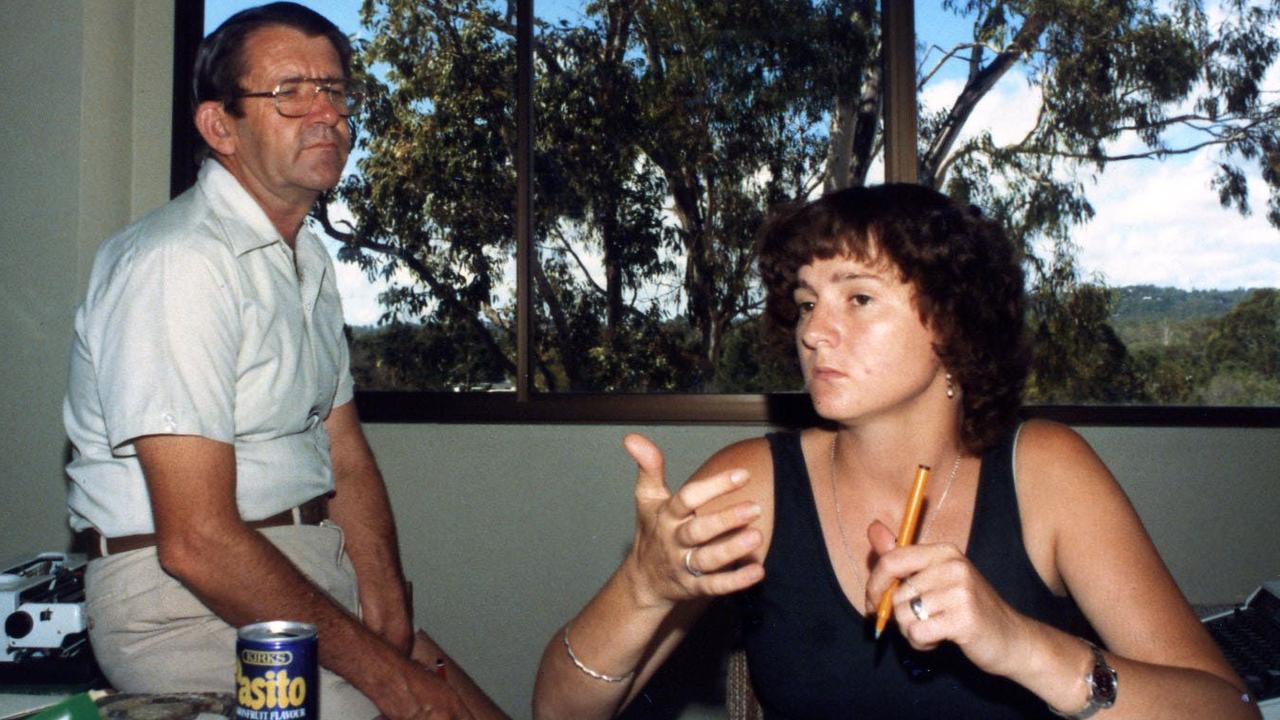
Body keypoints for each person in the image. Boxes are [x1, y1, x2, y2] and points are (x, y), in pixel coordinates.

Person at [531, 184, 1259, 719]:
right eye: (808, 302)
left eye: (858, 298)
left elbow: (1228, 711)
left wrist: (1021, 645)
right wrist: (643, 586)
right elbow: (557, 714)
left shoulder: (1046, 473)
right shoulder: (749, 482)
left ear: (952, 321)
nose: (814, 330)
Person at [63, 4, 505, 718]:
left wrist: (388, 609)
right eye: (290, 92)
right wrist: (393, 684)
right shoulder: (179, 263)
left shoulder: (309, 262)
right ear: (219, 127)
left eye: (334, 90)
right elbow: (198, 542)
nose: (324, 112)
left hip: (306, 575)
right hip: (188, 606)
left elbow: (343, 449)